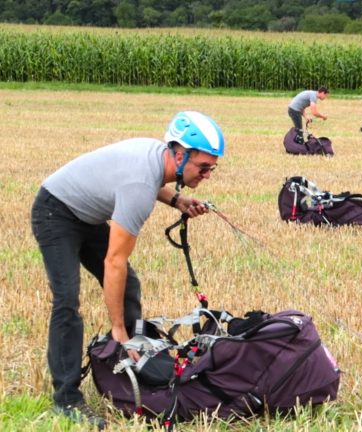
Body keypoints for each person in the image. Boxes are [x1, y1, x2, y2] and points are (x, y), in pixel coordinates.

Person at [30, 111, 225, 429]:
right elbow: (114, 262)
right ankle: (66, 398)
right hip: (55, 212)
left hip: (83, 216)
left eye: (212, 168)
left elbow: (148, 183)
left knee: (129, 286)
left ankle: (131, 359)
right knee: (67, 300)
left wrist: (177, 201)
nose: (207, 174)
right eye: (203, 167)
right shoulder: (139, 185)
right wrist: (118, 328)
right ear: (179, 155)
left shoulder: (157, 159)